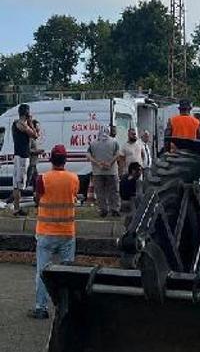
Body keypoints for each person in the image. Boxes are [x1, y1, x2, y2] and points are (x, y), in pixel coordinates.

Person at [29, 144, 79, 320]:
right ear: (65, 160)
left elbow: (37, 198)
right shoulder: (74, 178)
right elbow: (74, 195)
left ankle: (41, 308)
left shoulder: (42, 179)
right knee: (68, 274)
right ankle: (67, 310)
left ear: (51, 160)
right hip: (67, 232)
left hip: (46, 232)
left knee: (42, 271)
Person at [87, 126, 120, 217]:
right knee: (113, 191)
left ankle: (103, 210)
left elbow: (88, 155)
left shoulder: (93, 143)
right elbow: (117, 154)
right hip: (112, 171)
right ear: (109, 132)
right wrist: (110, 163)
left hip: (98, 172)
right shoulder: (114, 142)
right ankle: (115, 209)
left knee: (100, 192)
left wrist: (97, 163)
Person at [12, 104, 37, 216]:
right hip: (22, 157)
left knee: (17, 184)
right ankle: (16, 209)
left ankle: (16, 208)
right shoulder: (21, 124)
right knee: (19, 184)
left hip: (19, 156)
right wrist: (31, 122)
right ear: (26, 113)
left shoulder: (16, 123)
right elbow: (35, 135)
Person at [26, 119, 42, 188]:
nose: (39, 129)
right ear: (33, 128)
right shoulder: (30, 138)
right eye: (37, 127)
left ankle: (36, 195)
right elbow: (28, 150)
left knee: (36, 181)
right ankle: (14, 195)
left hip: (34, 163)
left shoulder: (34, 138)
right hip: (30, 163)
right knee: (27, 182)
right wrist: (37, 152)